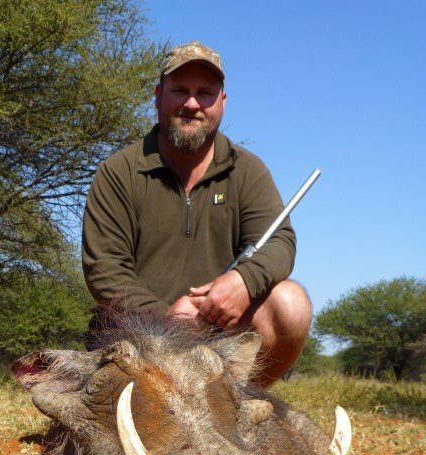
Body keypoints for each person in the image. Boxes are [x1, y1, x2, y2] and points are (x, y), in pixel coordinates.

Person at [82, 41, 312, 385]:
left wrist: (242, 282)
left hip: (215, 335)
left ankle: (240, 405)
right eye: (180, 90)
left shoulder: (248, 170)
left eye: (205, 92)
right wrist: (165, 316)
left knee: (291, 303)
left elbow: (279, 241)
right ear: (158, 96)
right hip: (137, 336)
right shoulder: (118, 171)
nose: (192, 104)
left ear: (222, 101)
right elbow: (104, 269)